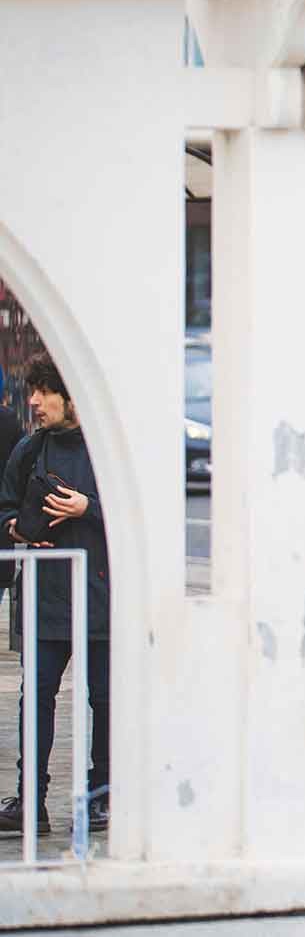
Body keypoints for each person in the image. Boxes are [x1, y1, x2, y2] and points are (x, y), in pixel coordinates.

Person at [0, 358, 110, 835]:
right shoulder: (29, 449)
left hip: (101, 597)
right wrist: (18, 529)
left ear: (72, 396)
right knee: (36, 699)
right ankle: (31, 803)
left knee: (104, 700)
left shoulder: (109, 451)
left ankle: (104, 796)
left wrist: (89, 507)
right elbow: (4, 506)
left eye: (44, 392)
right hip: (44, 598)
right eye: (33, 392)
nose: (33, 402)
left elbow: (145, 515)